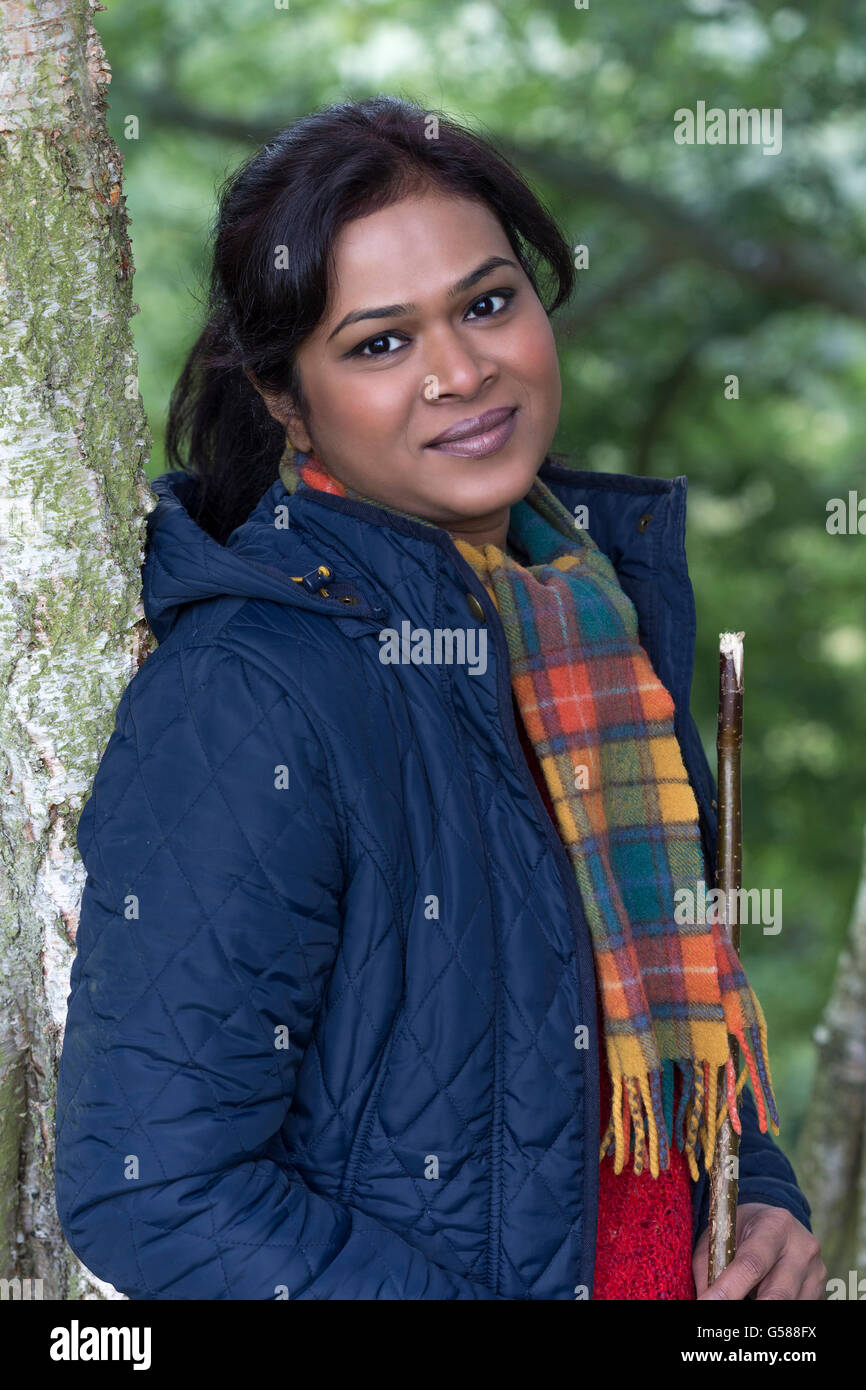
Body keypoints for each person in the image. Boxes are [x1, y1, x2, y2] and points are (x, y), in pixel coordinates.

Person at [54, 95, 825, 1300]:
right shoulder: (251, 692)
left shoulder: (591, 621)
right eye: (378, 343)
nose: (462, 372)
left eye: (485, 302)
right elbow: (154, 1188)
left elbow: (614, 1031)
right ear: (282, 396)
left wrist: (758, 1187)